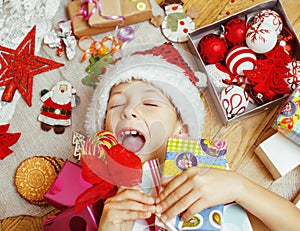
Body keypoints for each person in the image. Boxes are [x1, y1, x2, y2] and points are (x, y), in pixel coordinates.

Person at [84, 43, 300, 231]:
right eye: (115, 105)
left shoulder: (209, 181)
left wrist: (239, 187)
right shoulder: (106, 211)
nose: (128, 111)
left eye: (149, 103)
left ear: (182, 129)